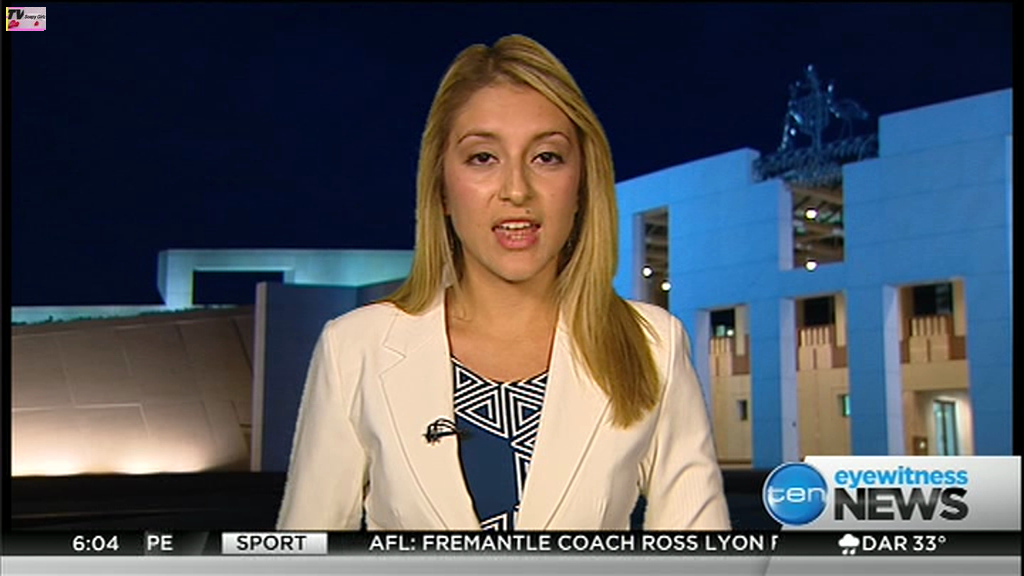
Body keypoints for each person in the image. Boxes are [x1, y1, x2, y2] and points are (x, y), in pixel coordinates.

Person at [277, 34, 730, 531]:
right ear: (441, 188)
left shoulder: (654, 345)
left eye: (547, 157)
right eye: (483, 158)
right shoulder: (354, 349)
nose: (516, 190)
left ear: (582, 185)